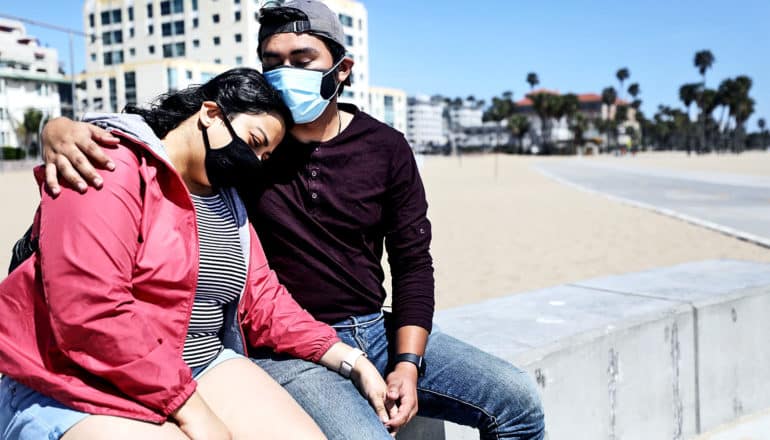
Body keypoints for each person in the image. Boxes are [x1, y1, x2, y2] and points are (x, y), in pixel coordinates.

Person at [27, 1, 546, 439]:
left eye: (302, 58)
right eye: (272, 61)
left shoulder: (385, 147)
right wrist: (59, 128)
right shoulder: (245, 151)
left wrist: (406, 364)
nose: (286, 73)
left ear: (340, 69)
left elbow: (413, 264)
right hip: (284, 352)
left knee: (519, 402)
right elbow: (160, 134)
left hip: (373, 329)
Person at [0, 68, 391, 440]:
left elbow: (264, 302)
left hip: (199, 364)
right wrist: (192, 410)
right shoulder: (111, 162)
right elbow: (90, 309)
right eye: (253, 142)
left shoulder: (229, 202)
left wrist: (349, 359)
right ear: (211, 114)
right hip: (77, 379)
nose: (253, 161)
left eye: (265, 157)